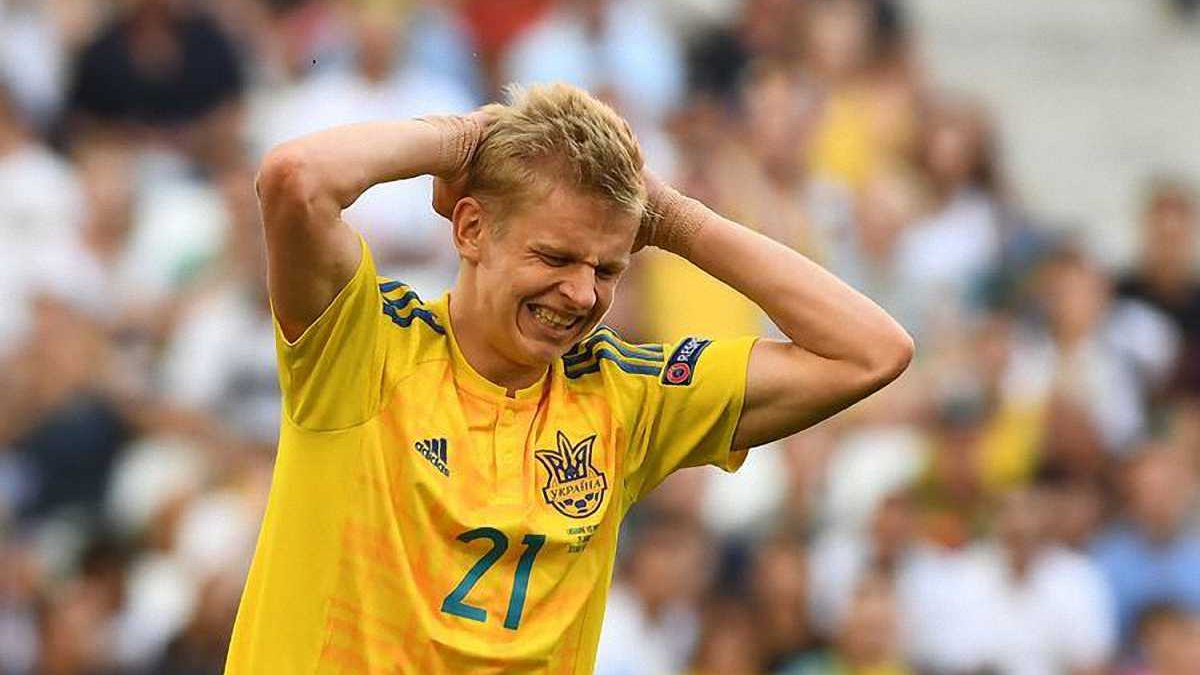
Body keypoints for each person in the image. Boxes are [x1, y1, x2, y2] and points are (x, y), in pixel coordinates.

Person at [225, 82, 912, 672]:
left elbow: (871, 351)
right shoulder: (363, 348)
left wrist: (678, 221)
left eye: (607, 269)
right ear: (471, 229)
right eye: (555, 257)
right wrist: (456, 140)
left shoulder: (624, 397)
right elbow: (295, 177)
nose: (582, 294)